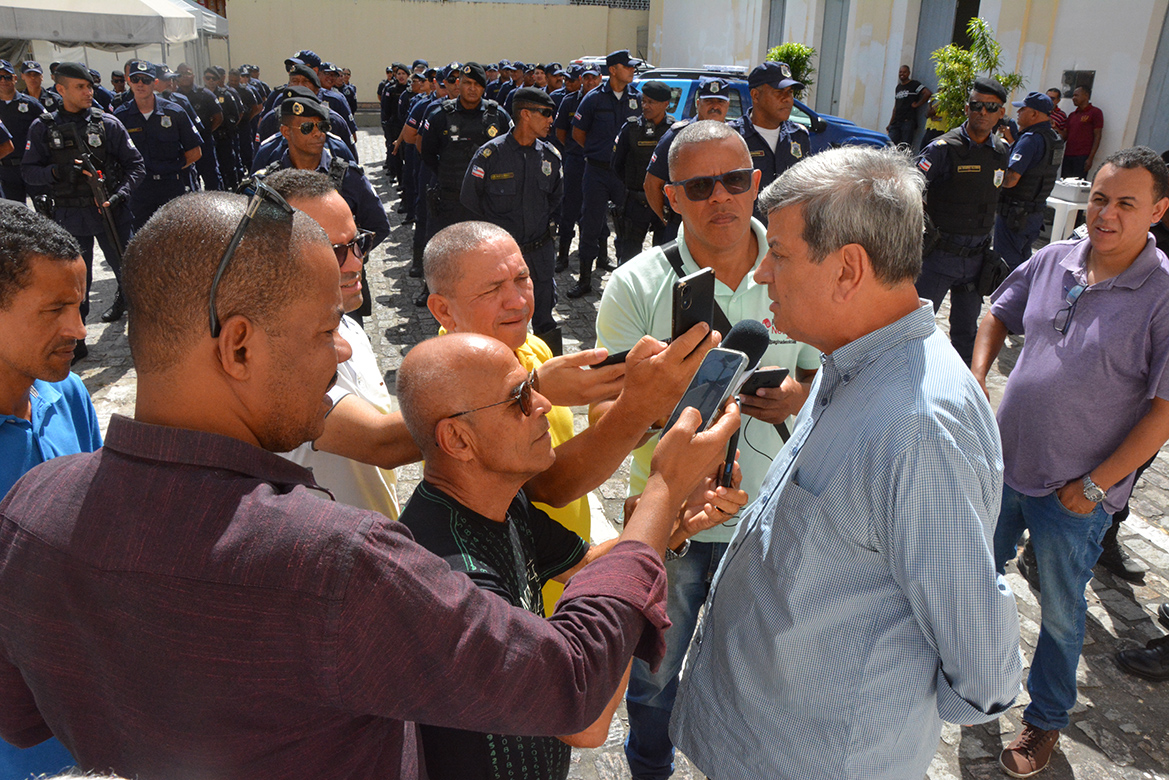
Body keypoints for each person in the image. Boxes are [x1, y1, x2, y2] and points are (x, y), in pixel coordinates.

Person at [0, 188, 742, 779]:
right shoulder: (331, 559)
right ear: (239, 346)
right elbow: (570, 686)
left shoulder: (34, 506)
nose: (341, 355)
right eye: (326, 331)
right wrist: (660, 493)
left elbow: (24, 717)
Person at [670, 143, 1023, 780]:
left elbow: (983, 667)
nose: (761, 273)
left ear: (848, 269)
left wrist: (884, 706)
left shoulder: (919, 429)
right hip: (758, 741)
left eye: (779, 254)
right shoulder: (852, 361)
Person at [398, 331, 747, 780]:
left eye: (532, 386)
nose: (543, 404)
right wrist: (664, 487)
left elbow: (588, 566)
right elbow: (584, 719)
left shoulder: (497, 499)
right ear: (458, 440)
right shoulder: (448, 576)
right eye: (519, 398)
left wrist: (672, 522)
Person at [593, 120, 822, 780]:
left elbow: (823, 373)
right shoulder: (635, 286)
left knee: (765, 675)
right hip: (673, 526)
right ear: (670, 197)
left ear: (756, 184)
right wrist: (659, 402)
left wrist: (796, 396)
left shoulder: (800, 267)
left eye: (734, 180)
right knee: (653, 680)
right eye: (698, 187)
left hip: (771, 515)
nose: (720, 196)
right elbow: (603, 418)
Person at [971, 146, 1169, 777]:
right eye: (1100, 199)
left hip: (1076, 494)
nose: (1106, 214)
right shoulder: (1055, 258)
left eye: (1126, 204)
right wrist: (978, 379)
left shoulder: (1163, 294)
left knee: (1060, 613)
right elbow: (996, 314)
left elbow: (1163, 412)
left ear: (1158, 211)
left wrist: (1094, 486)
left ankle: (1045, 720)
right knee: (973, 577)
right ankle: (967, 675)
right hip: (1003, 467)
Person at [424, 219, 720, 608]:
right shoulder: (448, 393)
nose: (517, 301)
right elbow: (550, 487)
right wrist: (641, 407)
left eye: (522, 278)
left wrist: (654, 414)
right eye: (492, 289)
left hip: (570, 568)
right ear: (443, 310)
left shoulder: (534, 350)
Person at [0, 202, 98, 778]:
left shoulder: (69, 394)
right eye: (54, 310)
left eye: (79, 306)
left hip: (87, 720)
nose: (79, 330)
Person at [268, 169, 417, 518]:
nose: (355, 263)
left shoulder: (349, 327)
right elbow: (381, 443)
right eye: (333, 251)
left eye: (357, 243)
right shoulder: (279, 358)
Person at [21, 62, 144, 343]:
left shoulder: (107, 124)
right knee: (74, 283)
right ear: (61, 89)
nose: (88, 92)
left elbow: (136, 166)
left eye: (89, 86)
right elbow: (28, 171)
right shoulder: (43, 127)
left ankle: (141, 330)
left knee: (129, 274)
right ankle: (75, 341)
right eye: (80, 87)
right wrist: (56, 172)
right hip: (69, 216)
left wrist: (120, 194)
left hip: (110, 213)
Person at [264, 94, 389, 325]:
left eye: (322, 126)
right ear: (285, 132)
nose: (317, 133)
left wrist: (348, 255)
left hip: (342, 289)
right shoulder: (271, 181)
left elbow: (379, 226)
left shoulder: (349, 177)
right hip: (291, 293)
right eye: (307, 127)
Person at [914, 76, 1008, 365]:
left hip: (977, 260)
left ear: (1001, 113)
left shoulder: (1000, 151)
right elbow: (909, 188)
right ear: (967, 108)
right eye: (977, 106)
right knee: (915, 330)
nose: (983, 112)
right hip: (940, 256)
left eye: (991, 107)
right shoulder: (943, 148)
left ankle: (963, 385)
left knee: (967, 334)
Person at [461, 86, 563, 335]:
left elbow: (556, 200)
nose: (551, 120)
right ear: (525, 114)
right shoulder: (490, 155)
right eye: (546, 113)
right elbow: (470, 200)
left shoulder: (550, 157)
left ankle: (548, 361)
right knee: (501, 319)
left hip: (539, 254)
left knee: (545, 320)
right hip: (501, 259)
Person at [419, 62, 511, 305]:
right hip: (450, 197)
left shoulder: (498, 115)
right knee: (441, 248)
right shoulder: (440, 115)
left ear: (484, 88)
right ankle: (432, 290)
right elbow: (427, 152)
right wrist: (446, 174)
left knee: (483, 247)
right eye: (467, 83)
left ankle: (483, 288)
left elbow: (509, 151)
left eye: (477, 84)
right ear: (458, 84)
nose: (472, 88)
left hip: (485, 200)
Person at [568, 50, 641, 299]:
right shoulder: (593, 99)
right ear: (613, 70)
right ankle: (585, 279)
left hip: (624, 174)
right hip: (597, 171)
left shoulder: (637, 98)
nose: (632, 70)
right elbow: (578, 133)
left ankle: (625, 282)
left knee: (626, 227)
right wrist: (597, 151)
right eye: (627, 66)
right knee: (590, 223)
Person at [113, 62, 202, 231]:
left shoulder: (174, 112)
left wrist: (171, 168)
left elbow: (195, 152)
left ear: (154, 83)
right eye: (136, 79)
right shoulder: (121, 116)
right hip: (139, 191)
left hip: (171, 187)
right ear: (129, 81)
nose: (140, 84)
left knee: (175, 236)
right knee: (141, 238)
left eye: (146, 80)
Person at [643, 76, 732, 240]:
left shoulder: (734, 138)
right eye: (709, 101)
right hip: (682, 226)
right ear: (698, 104)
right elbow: (651, 184)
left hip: (720, 225)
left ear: (728, 105)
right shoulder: (678, 136)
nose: (715, 106)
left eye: (720, 101)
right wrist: (666, 218)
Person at [995, 91, 1065, 271]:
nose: (1018, 113)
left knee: (1005, 267)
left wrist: (990, 179)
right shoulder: (1053, 138)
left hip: (1014, 214)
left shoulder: (1030, 139)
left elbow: (1010, 180)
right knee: (1023, 266)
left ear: (1034, 114)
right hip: (1034, 214)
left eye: (1023, 109)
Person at [612, 80, 674, 264]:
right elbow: (617, 165)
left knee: (665, 256)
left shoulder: (673, 130)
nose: (645, 106)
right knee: (629, 257)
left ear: (665, 104)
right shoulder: (631, 128)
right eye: (644, 101)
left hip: (663, 202)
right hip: (635, 202)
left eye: (651, 102)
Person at [731, 62, 811, 198]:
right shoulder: (732, 138)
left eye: (790, 92)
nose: (787, 99)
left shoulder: (798, 136)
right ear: (756, 96)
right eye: (779, 92)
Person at [553, 65, 600, 273]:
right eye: (586, 78)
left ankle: (601, 256)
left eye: (594, 78)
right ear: (581, 79)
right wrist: (575, 150)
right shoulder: (569, 101)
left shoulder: (603, 101)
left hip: (597, 163)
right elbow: (561, 132)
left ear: (600, 79)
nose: (590, 82)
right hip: (575, 160)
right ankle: (563, 255)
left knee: (596, 212)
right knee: (569, 208)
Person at [0, 59, 49, 204]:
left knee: (44, 209)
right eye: (0, 77)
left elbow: (49, 128)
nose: (3, 81)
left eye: (7, 77)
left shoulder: (31, 104)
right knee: (14, 211)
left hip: (31, 165)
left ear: (15, 78)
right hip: (7, 170)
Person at [176, 62, 224, 191]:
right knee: (189, 181)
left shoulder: (205, 94)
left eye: (188, 73)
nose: (185, 76)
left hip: (204, 143)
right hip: (184, 147)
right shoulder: (174, 97)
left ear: (193, 75)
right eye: (181, 74)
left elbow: (218, 117)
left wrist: (205, 132)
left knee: (211, 178)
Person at [1063, 85, 1103, 179]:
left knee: (1077, 184)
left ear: (1086, 95)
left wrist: (1090, 158)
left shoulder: (1095, 112)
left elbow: (1097, 136)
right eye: (1073, 95)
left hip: (1082, 156)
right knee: (1064, 183)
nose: (1073, 98)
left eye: (1076, 95)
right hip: (1068, 155)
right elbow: (1065, 136)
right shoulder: (1072, 115)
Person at [886, 64, 931, 146]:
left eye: (904, 72)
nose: (902, 74)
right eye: (900, 72)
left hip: (907, 121)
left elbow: (927, 93)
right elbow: (895, 107)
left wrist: (917, 104)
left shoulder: (914, 84)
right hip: (896, 122)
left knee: (905, 146)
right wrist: (890, 123)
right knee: (889, 144)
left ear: (909, 73)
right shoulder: (898, 87)